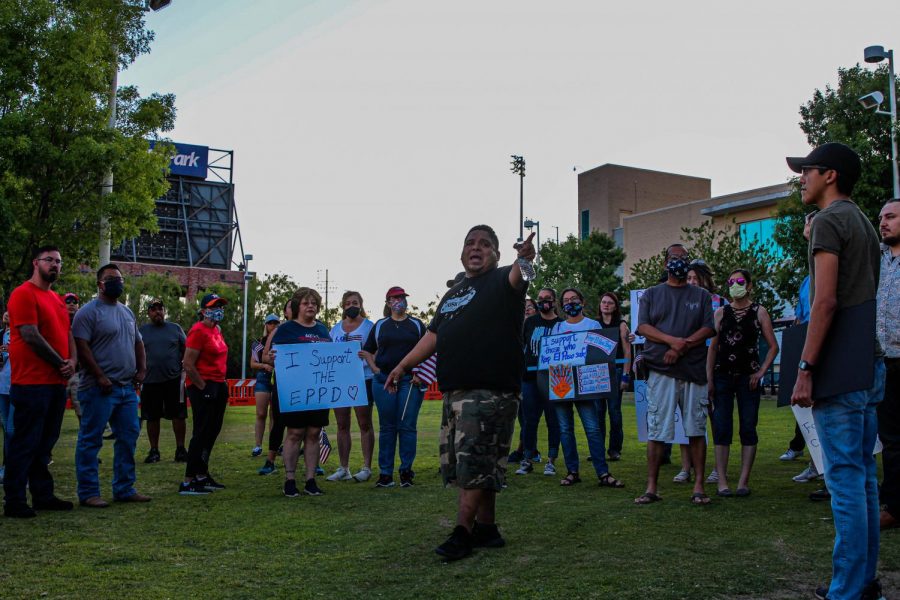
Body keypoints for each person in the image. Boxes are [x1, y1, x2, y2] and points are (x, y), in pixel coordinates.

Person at [386, 226, 534, 561]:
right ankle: (487, 528)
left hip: (490, 389)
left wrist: (525, 260)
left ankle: (462, 533)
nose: (476, 248)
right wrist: (402, 366)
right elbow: (433, 336)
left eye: (485, 244)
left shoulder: (501, 281)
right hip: (456, 390)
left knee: (473, 460)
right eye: (470, 243)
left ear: (496, 253)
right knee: (478, 459)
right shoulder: (454, 294)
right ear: (461, 252)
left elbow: (520, 275)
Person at [786, 142, 884, 600]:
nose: (801, 178)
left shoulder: (828, 221)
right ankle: (863, 583)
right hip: (868, 361)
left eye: (807, 171)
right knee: (862, 476)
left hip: (839, 365)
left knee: (844, 479)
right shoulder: (862, 220)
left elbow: (824, 301)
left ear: (831, 175)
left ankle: (847, 590)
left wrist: (805, 368)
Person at [634, 243, 715, 506]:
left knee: (696, 429)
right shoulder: (652, 294)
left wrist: (682, 347)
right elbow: (643, 327)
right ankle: (651, 488)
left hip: (693, 371)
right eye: (674, 257)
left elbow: (708, 328)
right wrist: (673, 342)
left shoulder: (701, 295)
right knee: (657, 430)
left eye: (683, 258)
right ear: (665, 262)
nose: (678, 261)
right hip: (661, 371)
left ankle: (699, 486)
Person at [3, 246, 76, 518]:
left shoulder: (56, 299)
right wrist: (61, 362)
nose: (55, 265)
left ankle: (43, 495)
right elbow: (31, 336)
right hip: (31, 383)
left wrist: (73, 362)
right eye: (50, 260)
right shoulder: (23, 294)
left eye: (58, 261)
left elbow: (67, 334)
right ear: (36, 263)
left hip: (55, 383)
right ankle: (14, 500)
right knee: (25, 443)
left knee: (45, 443)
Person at [72, 264, 150, 507]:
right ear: (100, 284)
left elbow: (138, 343)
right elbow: (81, 347)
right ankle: (88, 493)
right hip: (98, 388)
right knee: (91, 439)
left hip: (126, 388)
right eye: (112, 279)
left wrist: (142, 369)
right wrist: (99, 376)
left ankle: (124, 488)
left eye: (120, 279)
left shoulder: (127, 312)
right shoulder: (87, 312)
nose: (118, 282)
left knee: (128, 436)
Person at [707, 269, 778, 498]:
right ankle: (722, 482)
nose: (734, 285)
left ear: (749, 285)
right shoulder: (720, 313)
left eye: (739, 281)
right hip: (723, 376)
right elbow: (713, 348)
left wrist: (761, 372)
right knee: (721, 427)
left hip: (749, 378)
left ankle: (743, 481)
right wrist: (709, 379)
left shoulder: (760, 312)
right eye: (730, 281)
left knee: (748, 426)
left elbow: (773, 346)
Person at [548, 288, 623, 489]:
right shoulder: (557, 328)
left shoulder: (593, 324)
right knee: (565, 429)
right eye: (566, 300)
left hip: (586, 384)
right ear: (561, 305)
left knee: (592, 428)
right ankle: (572, 471)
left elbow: (602, 353)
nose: (570, 303)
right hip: (562, 383)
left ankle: (603, 472)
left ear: (582, 302)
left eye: (574, 299)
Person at [264, 287, 331, 497]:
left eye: (314, 303)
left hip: (318, 390)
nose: (311, 306)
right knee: (294, 433)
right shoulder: (285, 329)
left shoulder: (323, 330)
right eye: (306, 303)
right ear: (297, 306)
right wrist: (273, 358)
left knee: (314, 433)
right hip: (293, 390)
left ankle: (310, 480)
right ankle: (290, 479)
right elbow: (266, 357)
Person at [363, 286, 426, 488]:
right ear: (388, 302)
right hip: (383, 380)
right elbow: (367, 351)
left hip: (410, 380)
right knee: (387, 427)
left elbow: (429, 350)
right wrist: (375, 371)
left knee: (407, 426)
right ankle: (385, 474)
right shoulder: (381, 325)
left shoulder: (416, 324)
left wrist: (421, 374)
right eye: (395, 298)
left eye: (402, 297)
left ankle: (406, 471)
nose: (400, 301)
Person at [673, 260, 726, 485]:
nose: (692, 282)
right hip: (688, 363)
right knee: (686, 418)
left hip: (714, 363)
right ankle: (687, 467)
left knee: (715, 417)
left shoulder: (720, 302)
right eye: (689, 278)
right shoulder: (680, 301)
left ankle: (717, 468)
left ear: (706, 278)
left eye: (696, 278)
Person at [179, 293, 230, 496]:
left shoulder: (217, 330)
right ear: (203, 310)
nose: (218, 310)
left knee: (212, 431)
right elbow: (188, 364)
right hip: (203, 385)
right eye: (214, 306)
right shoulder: (198, 331)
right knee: (201, 432)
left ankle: (202, 474)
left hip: (218, 384)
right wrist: (203, 387)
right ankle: (188, 480)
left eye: (220, 306)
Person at [326, 291, 375, 483]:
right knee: (342, 424)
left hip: (363, 378)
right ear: (343, 306)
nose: (351, 305)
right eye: (347, 303)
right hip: (340, 380)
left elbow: (378, 351)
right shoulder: (335, 329)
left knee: (364, 423)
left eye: (355, 302)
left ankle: (366, 467)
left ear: (361, 304)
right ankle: (343, 468)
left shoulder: (369, 327)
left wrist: (369, 357)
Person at [516, 287, 562, 476]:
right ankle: (527, 458)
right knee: (529, 421)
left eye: (548, 298)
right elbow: (521, 347)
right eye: (540, 298)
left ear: (554, 301)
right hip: (530, 379)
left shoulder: (561, 324)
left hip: (554, 379)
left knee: (554, 420)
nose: (544, 301)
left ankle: (551, 460)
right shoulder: (530, 323)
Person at [139, 299, 188, 464]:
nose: (157, 312)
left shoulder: (175, 328)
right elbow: (136, 352)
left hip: (174, 380)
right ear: (149, 313)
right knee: (152, 417)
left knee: (179, 415)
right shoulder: (142, 331)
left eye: (160, 309)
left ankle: (180, 449)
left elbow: (187, 348)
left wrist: (183, 367)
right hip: (150, 380)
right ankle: (154, 451)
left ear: (164, 311)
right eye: (153, 309)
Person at [877, 198, 900, 531]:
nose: (883, 222)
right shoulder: (879, 261)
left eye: (891, 217)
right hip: (885, 360)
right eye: (881, 217)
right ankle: (894, 505)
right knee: (891, 438)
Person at [258, 299, 293, 476]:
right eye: (290, 305)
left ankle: (314, 463)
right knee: (278, 423)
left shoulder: (315, 329)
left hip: (308, 387)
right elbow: (264, 357)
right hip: (283, 384)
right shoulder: (279, 331)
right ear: (286, 312)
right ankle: (270, 460)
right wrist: (271, 357)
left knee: (311, 427)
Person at [597, 291, 632, 462]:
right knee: (598, 412)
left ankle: (614, 449)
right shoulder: (594, 324)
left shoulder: (621, 325)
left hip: (616, 371)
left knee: (614, 412)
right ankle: (598, 449)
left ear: (615, 306)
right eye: (604, 302)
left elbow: (627, 351)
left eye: (610, 302)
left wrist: (626, 375)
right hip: (597, 372)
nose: (606, 305)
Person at [250, 314, 280, 458]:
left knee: (274, 414)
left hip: (278, 377)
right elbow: (252, 363)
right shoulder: (259, 343)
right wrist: (264, 365)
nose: (273, 326)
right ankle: (257, 445)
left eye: (276, 323)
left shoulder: (281, 341)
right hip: (263, 377)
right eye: (270, 323)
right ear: (266, 325)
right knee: (261, 413)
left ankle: (272, 446)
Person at [0, 311, 11, 485]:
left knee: (14, 430)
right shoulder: (2, 334)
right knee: (7, 429)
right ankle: (6, 467)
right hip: (3, 386)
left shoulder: (26, 332)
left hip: (21, 384)